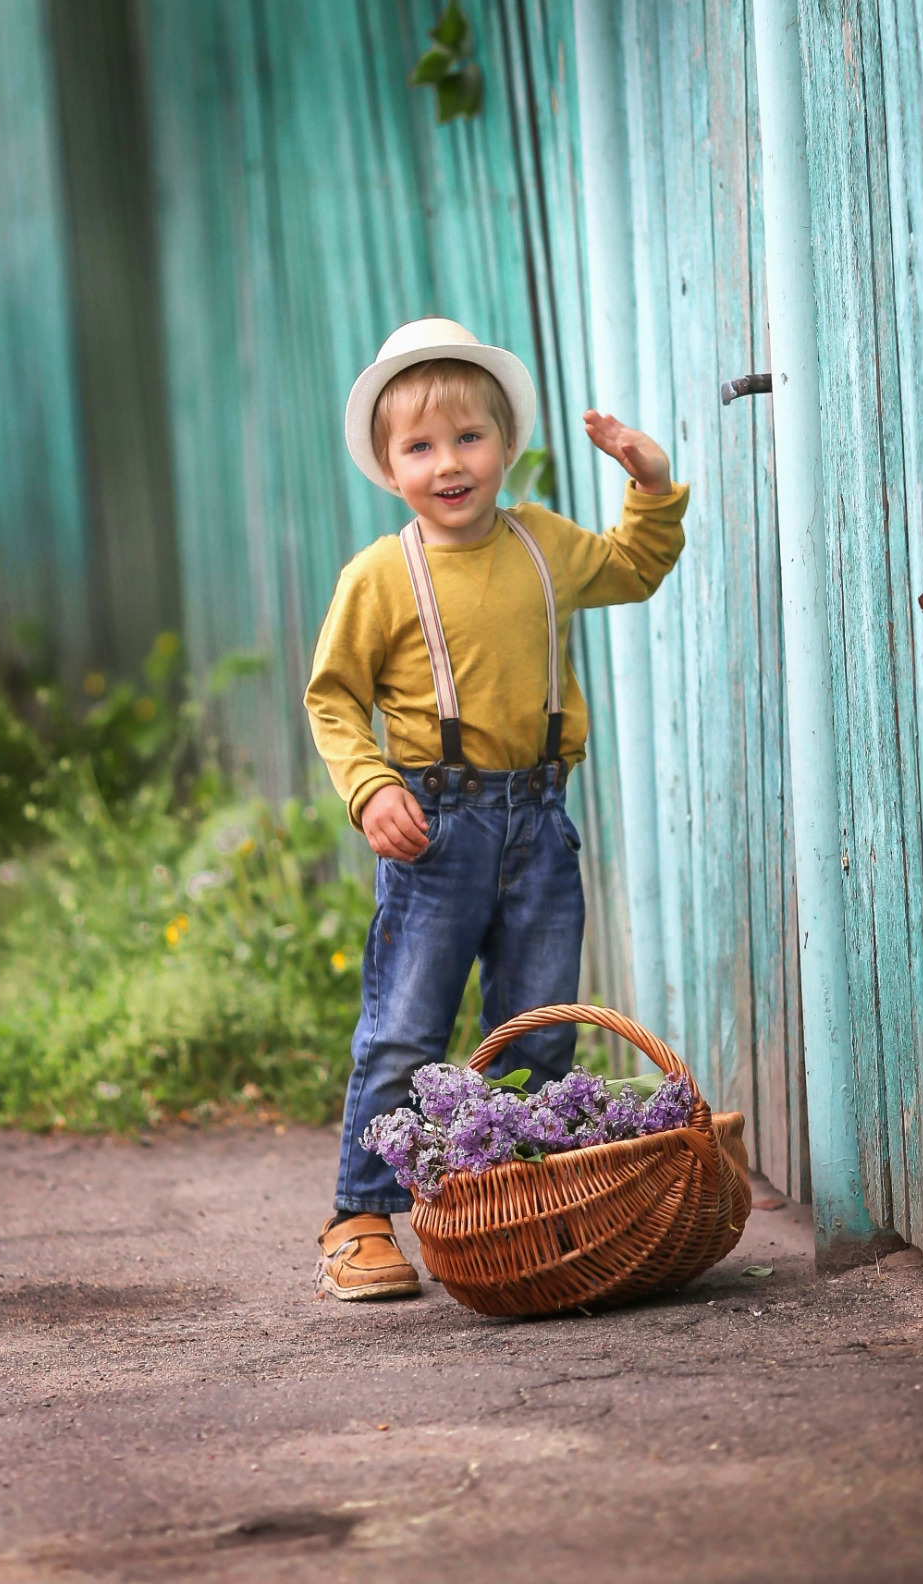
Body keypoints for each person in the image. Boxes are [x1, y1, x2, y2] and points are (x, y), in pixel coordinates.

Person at [305, 318, 688, 1301]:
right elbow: (333, 696)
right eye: (420, 448)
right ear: (390, 469)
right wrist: (370, 783)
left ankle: (522, 1206)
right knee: (406, 1027)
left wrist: (649, 483)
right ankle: (360, 1215)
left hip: (538, 823)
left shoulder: (546, 545)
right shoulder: (381, 577)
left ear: (505, 446)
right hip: (436, 829)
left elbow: (638, 567)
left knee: (539, 1031)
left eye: (468, 439)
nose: (448, 464)